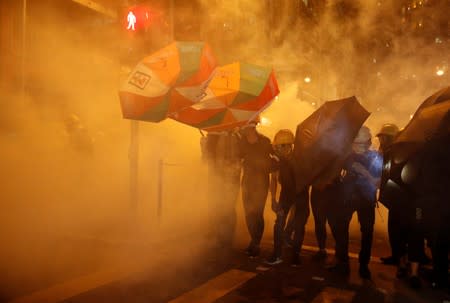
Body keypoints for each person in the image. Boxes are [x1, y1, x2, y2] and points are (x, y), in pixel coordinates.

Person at [328, 126, 382, 279]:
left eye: (363, 143)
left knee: (367, 233)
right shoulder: (348, 156)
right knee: (341, 229)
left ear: (369, 142)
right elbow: (352, 165)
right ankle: (343, 262)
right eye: (358, 144)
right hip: (348, 198)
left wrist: (374, 178)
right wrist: (369, 176)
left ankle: (363, 265)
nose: (361, 147)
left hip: (366, 200)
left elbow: (379, 179)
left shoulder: (375, 157)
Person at [266, 129, 310, 266]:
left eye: (279, 146)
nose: (277, 149)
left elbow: (308, 177)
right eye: (277, 146)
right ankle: (277, 254)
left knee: (299, 225)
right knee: (279, 222)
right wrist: (273, 200)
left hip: (301, 194)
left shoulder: (301, 158)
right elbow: (273, 179)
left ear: (288, 146)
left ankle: (295, 255)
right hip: (286, 194)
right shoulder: (277, 160)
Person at [239, 120, 276, 257]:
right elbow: (238, 158)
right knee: (248, 213)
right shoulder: (241, 142)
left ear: (252, 128)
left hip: (261, 183)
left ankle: (256, 243)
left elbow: (275, 159)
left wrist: (265, 165)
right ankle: (254, 240)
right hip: (247, 182)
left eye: (246, 128)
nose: (244, 131)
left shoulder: (265, 141)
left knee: (257, 213)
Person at [201, 131, 241, 251]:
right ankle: (219, 236)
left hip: (231, 178)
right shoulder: (211, 137)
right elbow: (205, 159)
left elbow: (238, 159)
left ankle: (227, 239)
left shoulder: (235, 136)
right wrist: (204, 145)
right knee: (216, 206)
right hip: (216, 177)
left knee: (228, 208)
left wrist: (231, 168)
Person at [375, 123, 401, 265]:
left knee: (397, 228)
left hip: (399, 198)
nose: (380, 140)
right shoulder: (389, 151)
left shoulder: (393, 152)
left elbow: (388, 172)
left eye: (382, 137)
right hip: (396, 196)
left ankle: (400, 257)